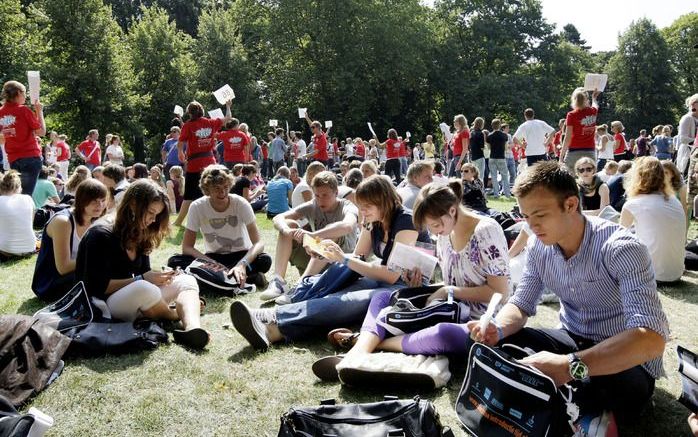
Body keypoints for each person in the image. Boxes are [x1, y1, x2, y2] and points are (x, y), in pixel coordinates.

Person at [468, 161, 669, 430]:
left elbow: (651, 339)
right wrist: (497, 328)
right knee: (502, 343)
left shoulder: (620, 248)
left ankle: (567, 405)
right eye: (526, 216)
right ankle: (567, 404)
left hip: (623, 356)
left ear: (571, 205)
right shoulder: (540, 247)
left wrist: (568, 365)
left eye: (539, 215)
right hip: (572, 338)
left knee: (610, 385)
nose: (531, 226)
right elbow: (521, 303)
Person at [230, 175, 430, 350]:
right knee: (339, 299)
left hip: (405, 286)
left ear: (384, 202)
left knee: (352, 301)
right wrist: (328, 253)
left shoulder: (406, 221)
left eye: (367, 206)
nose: (363, 211)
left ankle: (270, 318)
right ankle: (273, 331)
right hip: (381, 277)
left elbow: (392, 274)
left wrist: (342, 258)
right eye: (361, 206)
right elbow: (360, 255)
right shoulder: (374, 219)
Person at [322, 180, 509, 365]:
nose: (434, 232)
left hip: (480, 323)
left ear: (452, 211)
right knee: (383, 298)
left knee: (443, 334)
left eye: (435, 226)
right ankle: (361, 350)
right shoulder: (445, 234)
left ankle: (368, 344)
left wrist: (448, 291)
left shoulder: (486, 231)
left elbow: (500, 293)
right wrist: (418, 283)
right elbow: (452, 284)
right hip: (447, 309)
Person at [75, 180, 209, 350]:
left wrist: (159, 278)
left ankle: (192, 328)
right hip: (105, 305)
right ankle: (174, 314)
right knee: (144, 288)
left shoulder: (138, 229)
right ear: (133, 204)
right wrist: (143, 278)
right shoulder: (100, 234)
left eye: (157, 214)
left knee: (186, 280)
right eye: (150, 212)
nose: (153, 220)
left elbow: (144, 273)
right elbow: (97, 287)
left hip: (136, 299)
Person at [259, 170, 360, 302]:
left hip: (341, 263)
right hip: (315, 259)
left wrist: (313, 235)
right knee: (289, 224)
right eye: (317, 195)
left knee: (328, 238)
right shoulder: (313, 205)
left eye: (325, 195)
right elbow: (279, 218)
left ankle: (300, 288)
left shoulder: (347, 206)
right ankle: (279, 282)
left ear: (336, 193)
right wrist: (287, 230)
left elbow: (347, 226)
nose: (320, 200)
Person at [180, 165, 271, 288]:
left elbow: (258, 243)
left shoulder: (240, 203)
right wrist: (211, 262)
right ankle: (247, 278)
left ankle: (218, 278)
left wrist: (242, 264)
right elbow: (187, 247)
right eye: (217, 188)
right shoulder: (197, 206)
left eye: (225, 187)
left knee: (264, 260)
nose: (222, 192)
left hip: (241, 255)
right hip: (214, 257)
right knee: (177, 261)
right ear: (207, 189)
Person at [32, 179, 108, 301]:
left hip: (78, 274)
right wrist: (97, 259)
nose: (100, 205)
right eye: (94, 201)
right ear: (82, 201)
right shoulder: (63, 221)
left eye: (103, 200)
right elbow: (63, 267)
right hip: (51, 283)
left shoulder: (96, 219)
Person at [621, 157, 685, 283]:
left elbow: (619, 240)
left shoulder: (633, 204)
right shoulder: (674, 201)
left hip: (651, 275)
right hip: (676, 273)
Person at [173, 99, 232, 227]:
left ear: (189, 113)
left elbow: (180, 142)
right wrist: (228, 106)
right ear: (202, 111)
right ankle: (215, 219)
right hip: (210, 163)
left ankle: (178, 222)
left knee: (189, 195)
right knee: (212, 192)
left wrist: (180, 153)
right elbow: (228, 118)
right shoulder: (210, 122)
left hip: (194, 164)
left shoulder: (188, 125)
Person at [0, 80, 46, 195]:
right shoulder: (23, 110)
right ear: (19, 93)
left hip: (13, 159)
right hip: (30, 157)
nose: (26, 96)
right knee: (26, 197)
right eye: (25, 92)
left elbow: (3, 137)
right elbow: (42, 132)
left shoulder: (1, 112)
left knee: (15, 194)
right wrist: (39, 112)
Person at [560, 88, 600, 173]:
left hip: (573, 152)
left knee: (569, 180)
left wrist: (561, 156)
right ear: (586, 99)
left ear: (574, 99)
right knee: (590, 180)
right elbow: (595, 105)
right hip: (590, 151)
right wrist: (594, 98)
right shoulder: (593, 111)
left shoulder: (571, 115)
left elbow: (567, 137)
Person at [0, 171, 35, 259]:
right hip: (30, 247)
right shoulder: (28, 198)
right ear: (19, 187)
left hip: (6, 250)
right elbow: (31, 222)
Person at [486, 119, 511, 198]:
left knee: (494, 176)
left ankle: (496, 194)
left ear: (492, 125)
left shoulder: (489, 136)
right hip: (501, 157)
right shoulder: (504, 135)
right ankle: (507, 194)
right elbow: (506, 148)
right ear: (500, 125)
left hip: (492, 157)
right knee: (504, 176)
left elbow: (489, 147)